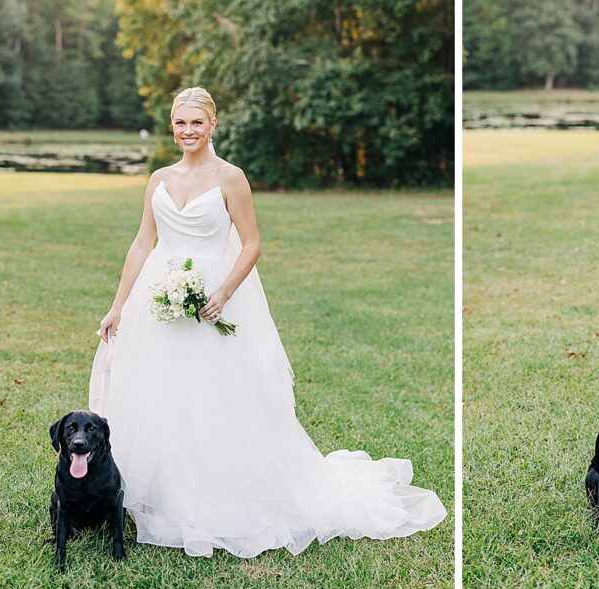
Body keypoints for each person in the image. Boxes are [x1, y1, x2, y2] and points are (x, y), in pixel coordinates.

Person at [88, 85, 445, 559]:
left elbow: (252, 243)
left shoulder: (230, 177)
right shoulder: (158, 179)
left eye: (197, 122)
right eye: (180, 123)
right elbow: (141, 244)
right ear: (171, 127)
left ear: (213, 125)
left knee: (213, 396)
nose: (188, 131)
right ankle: (159, 493)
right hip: (159, 298)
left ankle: (215, 494)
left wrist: (222, 293)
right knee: (159, 392)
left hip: (214, 296)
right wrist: (118, 305)